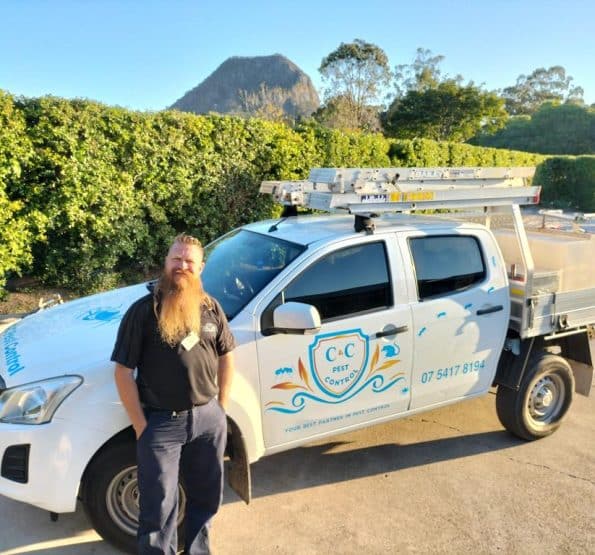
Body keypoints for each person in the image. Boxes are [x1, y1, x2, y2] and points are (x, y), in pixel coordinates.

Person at [111, 233, 235, 555]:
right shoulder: (143, 312)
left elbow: (227, 356)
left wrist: (220, 408)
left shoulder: (211, 307)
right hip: (163, 424)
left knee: (207, 497)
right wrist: (141, 426)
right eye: (176, 259)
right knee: (159, 507)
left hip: (208, 419)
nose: (182, 266)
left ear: (200, 267)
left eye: (189, 261)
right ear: (166, 263)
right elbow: (123, 372)